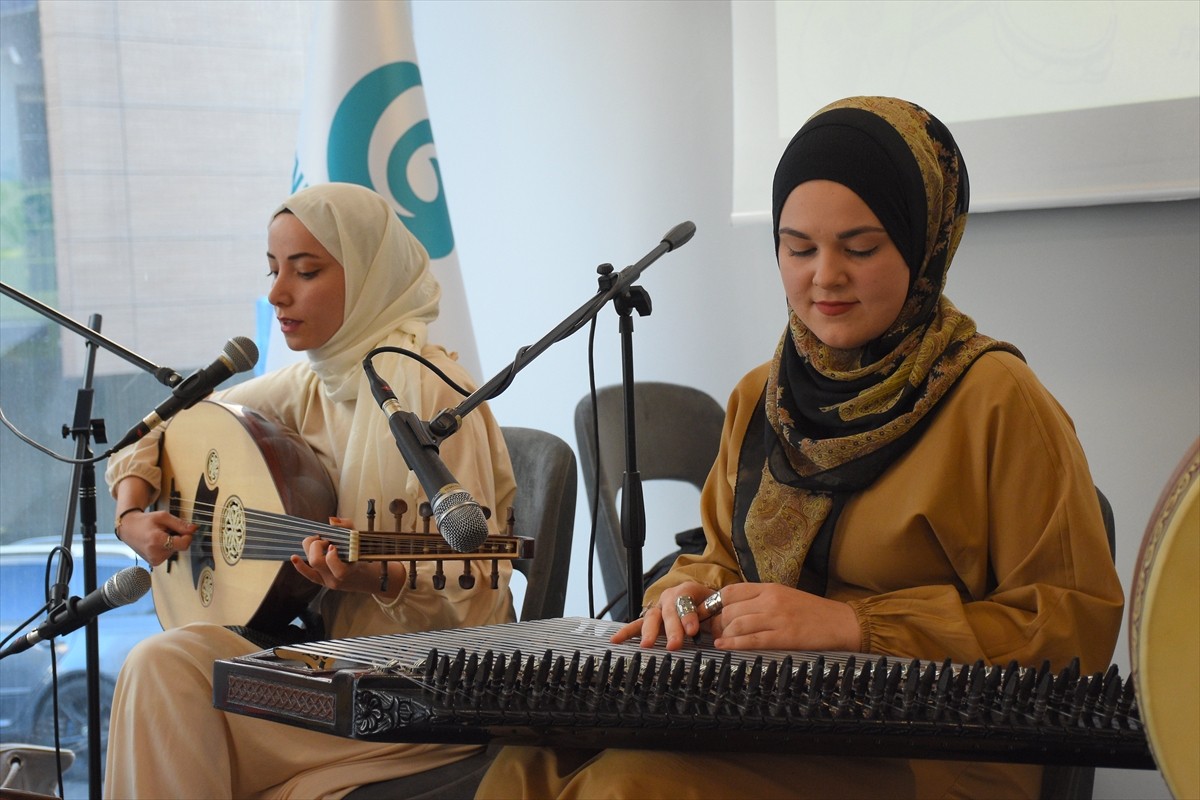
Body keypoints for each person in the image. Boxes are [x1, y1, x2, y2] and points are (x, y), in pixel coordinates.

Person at [477, 96, 1124, 799]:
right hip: (765, 713)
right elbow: (721, 557)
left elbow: (1068, 625)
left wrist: (857, 627)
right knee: (526, 764)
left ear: (923, 242)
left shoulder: (997, 399)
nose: (825, 276)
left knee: (634, 787)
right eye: (799, 247)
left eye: (861, 247)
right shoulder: (765, 395)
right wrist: (683, 596)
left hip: (932, 748)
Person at [103, 182, 517, 798]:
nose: (276, 293)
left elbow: (476, 588)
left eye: (306, 271)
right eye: (273, 270)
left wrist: (376, 577)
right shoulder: (310, 382)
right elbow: (167, 425)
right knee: (163, 665)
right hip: (334, 674)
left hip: (425, 693)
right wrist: (132, 512)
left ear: (370, 277)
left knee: (168, 685)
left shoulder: (431, 393)